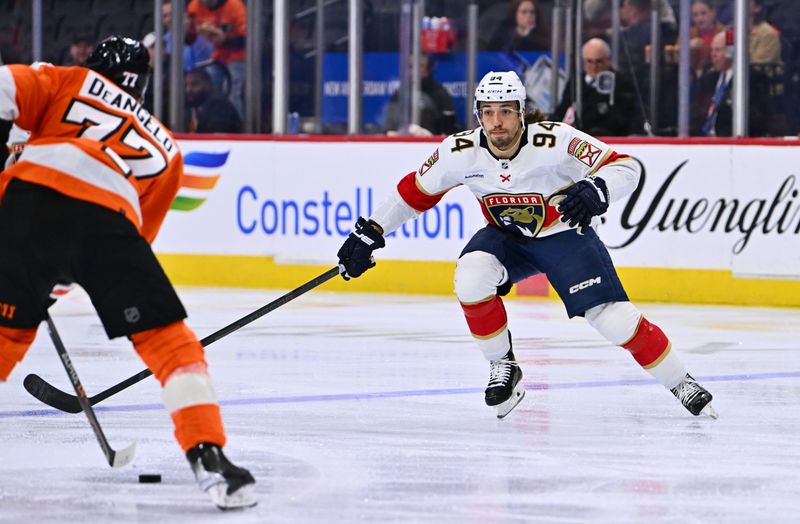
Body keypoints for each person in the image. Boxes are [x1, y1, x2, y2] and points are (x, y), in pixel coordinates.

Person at [336, 70, 717, 420]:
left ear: (522, 113)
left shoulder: (556, 140)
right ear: (477, 114)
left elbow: (626, 166)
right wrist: (368, 232)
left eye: (505, 111)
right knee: (470, 278)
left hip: (565, 236)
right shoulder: (459, 152)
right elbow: (412, 194)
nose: (496, 121)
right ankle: (503, 366)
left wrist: (597, 188)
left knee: (613, 320)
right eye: (487, 112)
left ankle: (682, 382)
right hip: (507, 240)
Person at [0, 36, 256, 510]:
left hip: (28, 202)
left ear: (94, 66)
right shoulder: (165, 146)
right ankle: (210, 456)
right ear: (143, 90)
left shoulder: (65, 80)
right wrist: (61, 276)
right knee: (169, 341)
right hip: (108, 222)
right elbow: (137, 232)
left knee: (5, 337)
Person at [554, 38, 638, 136]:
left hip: (610, 140)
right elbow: (563, 110)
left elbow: (624, 118)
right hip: (578, 138)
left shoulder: (621, 83)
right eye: (589, 61)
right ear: (583, 61)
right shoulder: (576, 82)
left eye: (599, 61)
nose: (594, 67)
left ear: (608, 60)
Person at [695, 31, 769, 136]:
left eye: (718, 50)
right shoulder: (709, 77)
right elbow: (698, 110)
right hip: (704, 139)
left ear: (731, 52)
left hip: (731, 140)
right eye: (711, 50)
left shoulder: (750, 78)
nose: (713, 55)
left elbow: (754, 118)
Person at [187, 0, 247, 119]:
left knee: (234, 93)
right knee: (204, 86)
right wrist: (187, 31)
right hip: (217, 56)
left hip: (238, 56)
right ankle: (204, 123)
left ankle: (236, 126)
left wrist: (225, 40)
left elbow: (248, 39)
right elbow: (189, 39)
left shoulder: (235, 5)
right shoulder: (194, 6)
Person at [383, 54, 458, 136]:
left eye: (420, 66)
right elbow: (389, 129)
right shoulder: (401, 93)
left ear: (429, 69)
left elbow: (448, 131)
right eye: (411, 67)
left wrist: (428, 135)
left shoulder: (439, 93)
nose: (415, 71)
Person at [185, 67, 242, 133]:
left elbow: (218, 139)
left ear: (208, 84)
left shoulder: (219, 106)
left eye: (194, 84)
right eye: (186, 85)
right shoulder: (197, 105)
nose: (188, 90)